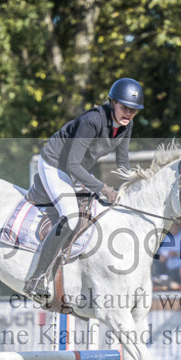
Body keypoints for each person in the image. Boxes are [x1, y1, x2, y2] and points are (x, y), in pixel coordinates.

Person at [23, 78, 143, 300]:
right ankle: (36, 278)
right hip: (54, 164)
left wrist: (138, 183)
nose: (128, 113)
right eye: (124, 107)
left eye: (133, 110)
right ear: (113, 102)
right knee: (71, 218)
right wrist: (104, 188)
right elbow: (72, 165)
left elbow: (123, 163)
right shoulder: (92, 120)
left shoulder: (127, 127)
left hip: (74, 170)